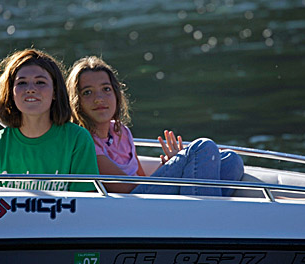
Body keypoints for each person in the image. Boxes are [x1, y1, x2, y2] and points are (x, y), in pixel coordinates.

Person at [66, 56, 244, 196]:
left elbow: (142, 179)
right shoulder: (84, 140)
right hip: (132, 206)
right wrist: (177, 167)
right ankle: (202, 219)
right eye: (87, 92)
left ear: (116, 94)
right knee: (202, 148)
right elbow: (125, 188)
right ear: (76, 101)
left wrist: (168, 166)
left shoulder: (122, 133)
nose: (99, 98)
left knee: (231, 160)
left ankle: (203, 212)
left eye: (106, 89)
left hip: (145, 196)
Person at [0, 49, 99, 192]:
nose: (30, 89)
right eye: (22, 83)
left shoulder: (78, 139)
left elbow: (84, 203)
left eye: (40, 82)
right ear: (11, 92)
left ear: (55, 92)